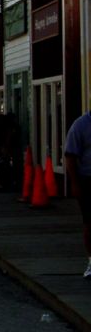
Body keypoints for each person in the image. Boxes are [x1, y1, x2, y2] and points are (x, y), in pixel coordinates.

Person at [64, 111, 91, 279]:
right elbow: (70, 156)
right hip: (88, 180)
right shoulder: (80, 125)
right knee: (90, 221)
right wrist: (74, 183)